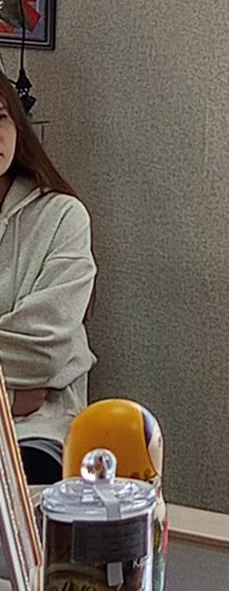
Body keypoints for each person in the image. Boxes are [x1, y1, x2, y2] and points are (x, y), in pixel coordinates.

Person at [0, 70, 96, 482]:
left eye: (1, 117)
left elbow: (43, 350)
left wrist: (22, 394)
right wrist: (12, 395)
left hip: (39, 432)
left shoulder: (62, 217)